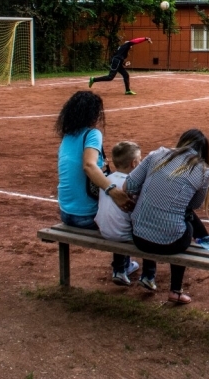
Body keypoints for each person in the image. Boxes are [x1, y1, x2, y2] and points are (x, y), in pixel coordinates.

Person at [55, 90, 137, 283]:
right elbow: (88, 165)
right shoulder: (93, 134)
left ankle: (123, 265)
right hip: (85, 217)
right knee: (123, 210)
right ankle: (121, 267)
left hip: (66, 212)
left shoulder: (67, 136)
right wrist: (113, 191)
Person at [125, 129, 209, 305]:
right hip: (172, 242)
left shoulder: (157, 154)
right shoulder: (203, 171)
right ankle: (176, 290)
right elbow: (195, 205)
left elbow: (129, 185)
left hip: (139, 237)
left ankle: (206, 238)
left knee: (175, 215)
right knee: (183, 219)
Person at [94, 141, 157, 288]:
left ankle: (119, 270)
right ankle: (148, 275)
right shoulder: (135, 184)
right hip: (123, 234)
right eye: (140, 159)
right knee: (150, 232)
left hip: (105, 230)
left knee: (120, 223)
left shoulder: (106, 180)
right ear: (134, 163)